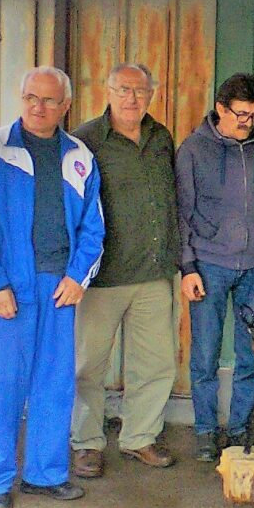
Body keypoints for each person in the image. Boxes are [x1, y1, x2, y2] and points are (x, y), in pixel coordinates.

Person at [0, 66, 104, 508]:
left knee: (55, 383)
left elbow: (93, 227)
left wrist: (78, 278)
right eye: (29, 98)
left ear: (65, 105)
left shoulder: (79, 156)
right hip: (9, 289)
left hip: (59, 286)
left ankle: (45, 474)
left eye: (47, 100)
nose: (37, 108)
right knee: (4, 386)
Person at [69, 63, 178, 478]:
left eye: (140, 90)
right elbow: (71, 207)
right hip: (102, 276)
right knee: (88, 365)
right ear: (108, 90)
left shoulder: (160, 137)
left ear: (152, 93)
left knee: (154, 364)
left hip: (153, 272)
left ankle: (140, 438)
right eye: (123, 89)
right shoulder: (85, 140)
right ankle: (86, 443)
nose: (132, 98)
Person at [176, 73, 254, 462]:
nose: (249, 122)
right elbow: (182, 214)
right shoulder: (192, 150)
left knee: (250, 353)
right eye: (241, 114)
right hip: (209, 264)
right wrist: (187, 267)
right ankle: (206, 431)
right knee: (205, 354)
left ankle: (240, 429)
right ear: (220, 109)